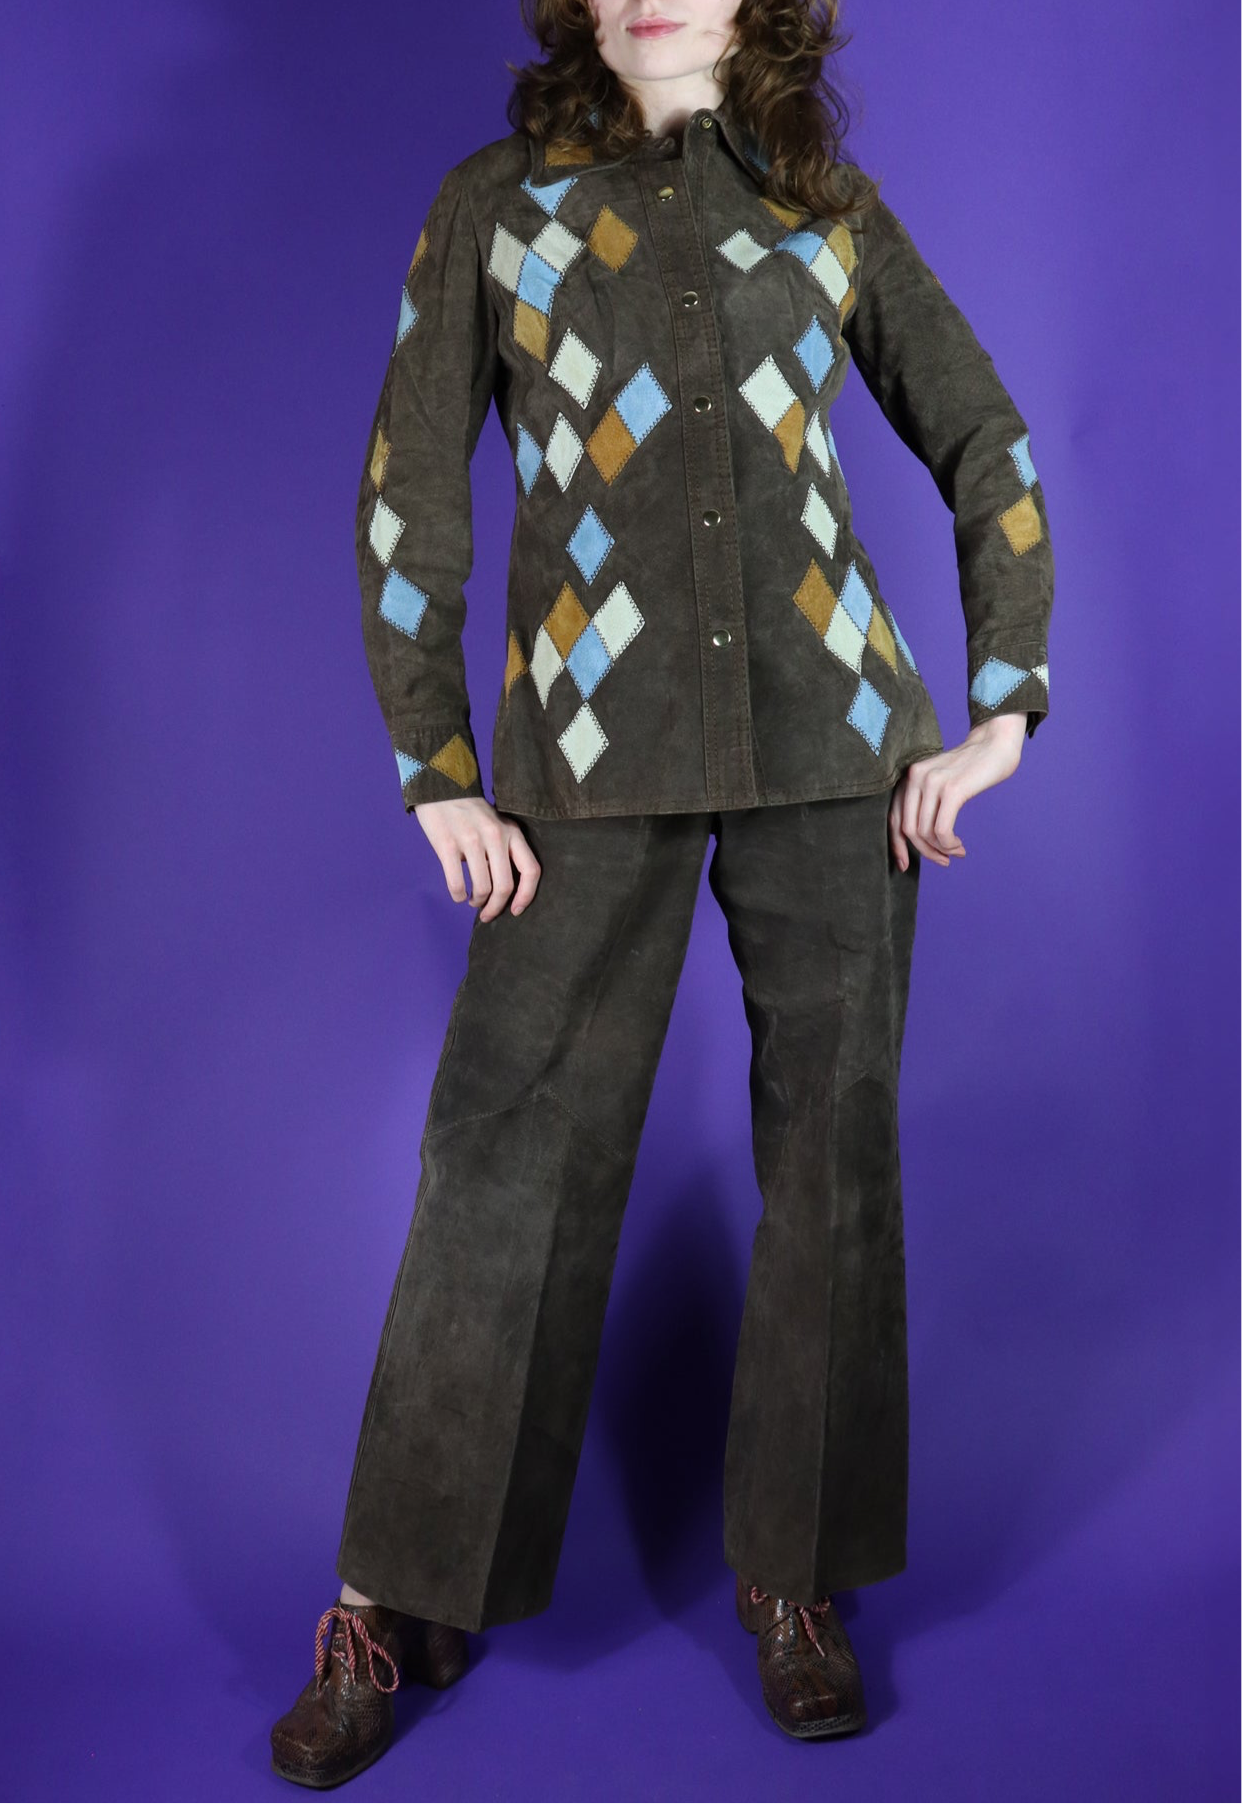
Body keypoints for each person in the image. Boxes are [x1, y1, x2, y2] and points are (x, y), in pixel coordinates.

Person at [270, 0, 1054, 1785]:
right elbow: (408, 489)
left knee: (831, 1167)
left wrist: (1004, 704)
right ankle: (400, 1598)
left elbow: (987, 443)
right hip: (579, 762)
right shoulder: (495, 203)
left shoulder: (822, 199)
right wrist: (435, 764)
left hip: (836, 752)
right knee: (504, 1166)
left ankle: (797, 1580)